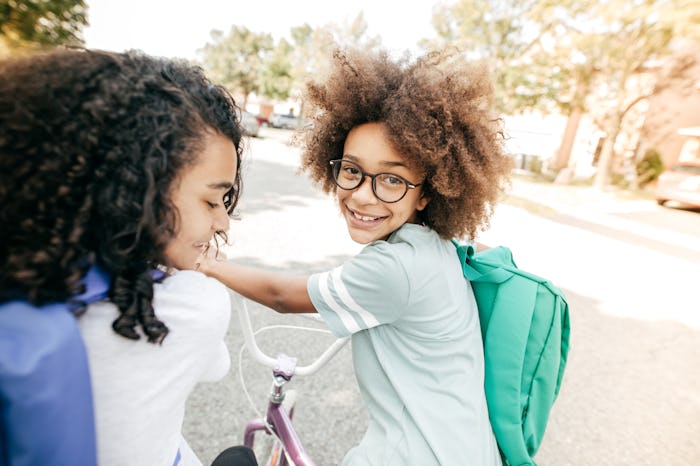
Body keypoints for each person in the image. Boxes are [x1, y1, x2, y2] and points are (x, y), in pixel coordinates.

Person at [197, 47, 513, 465]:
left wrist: (208, 265)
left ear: (427, 193)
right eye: (351, 170)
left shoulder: (394, 268)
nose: (363, 194)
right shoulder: (435, 248)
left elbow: (281, 295)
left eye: (392, 179)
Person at [0, 48, 255, 466]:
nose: (224, 223)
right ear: (138, 190)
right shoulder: (189, 306)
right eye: (212, 201)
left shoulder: (27, 276)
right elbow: (216, 367)